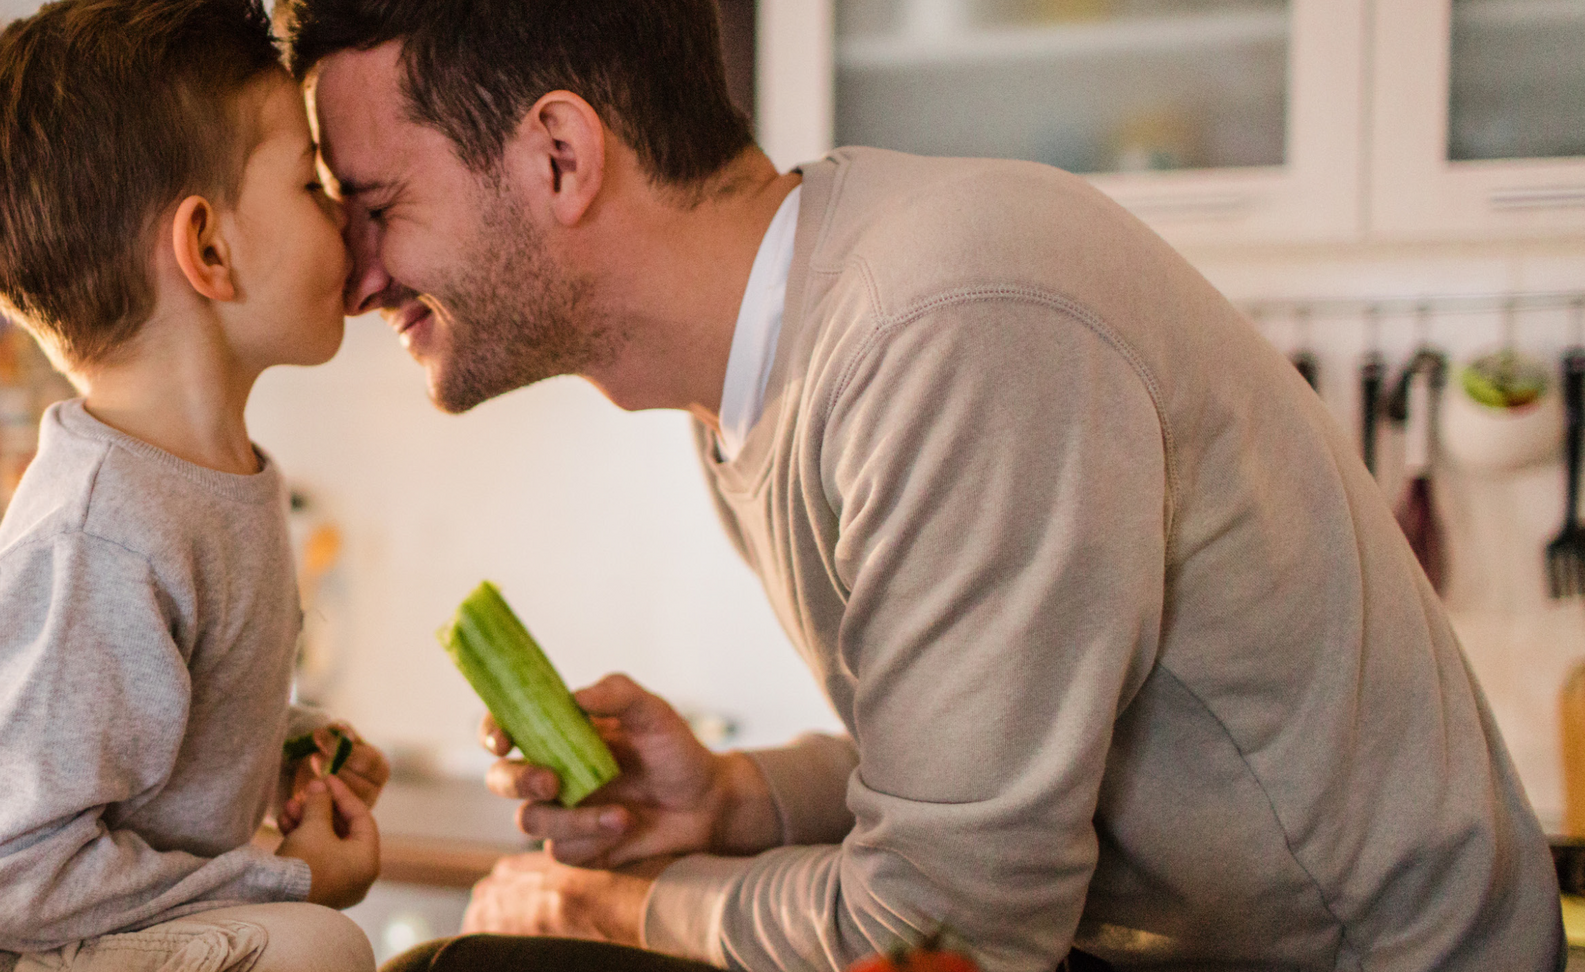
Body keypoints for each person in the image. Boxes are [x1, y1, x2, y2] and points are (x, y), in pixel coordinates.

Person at [279, 0, 1562, 969]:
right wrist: (734, 798)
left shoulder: (944, 329)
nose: (354, 277)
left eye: (377, 205)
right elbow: (1007, 767)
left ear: (559, 155)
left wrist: (611, 910)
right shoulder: (759, 375)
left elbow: (945, 933)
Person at [0, 2, 391, 969]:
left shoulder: (198, 487)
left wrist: (282, 744)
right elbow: (7, 870)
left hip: (23, 927)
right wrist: (292, 879)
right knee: (315, 945)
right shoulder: (104, 535)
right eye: (310, 183)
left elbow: (133, 725)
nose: (346, 213)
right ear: (208, 250)